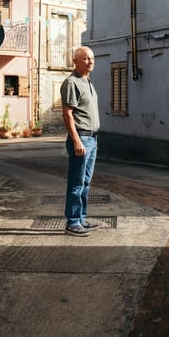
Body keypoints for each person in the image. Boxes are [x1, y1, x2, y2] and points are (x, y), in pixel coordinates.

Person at [60, 46, 103, 236]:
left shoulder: (88, 82)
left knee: (85, 182)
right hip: (82, 138)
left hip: (92, 139)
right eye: (85, 59)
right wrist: (76, 140)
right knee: (76, 182)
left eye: (92, 58)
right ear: (75, 61)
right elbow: (68, 114)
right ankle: (73, 222)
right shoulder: (72, 82)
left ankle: (81, 218)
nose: (90, 61)